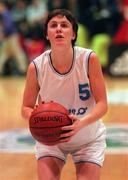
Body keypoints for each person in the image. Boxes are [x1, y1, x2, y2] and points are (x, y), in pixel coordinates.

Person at [21, 9, 108, 180]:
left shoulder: (89, 59)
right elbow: (25, 107)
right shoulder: (36, 67)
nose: (59, 29)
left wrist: (81, 123)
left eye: (64, 25)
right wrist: (38, 116)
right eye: (53, 26)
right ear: (47, 34)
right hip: (51, 141)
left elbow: (103, 105)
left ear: (73, 33)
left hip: (87, 137)